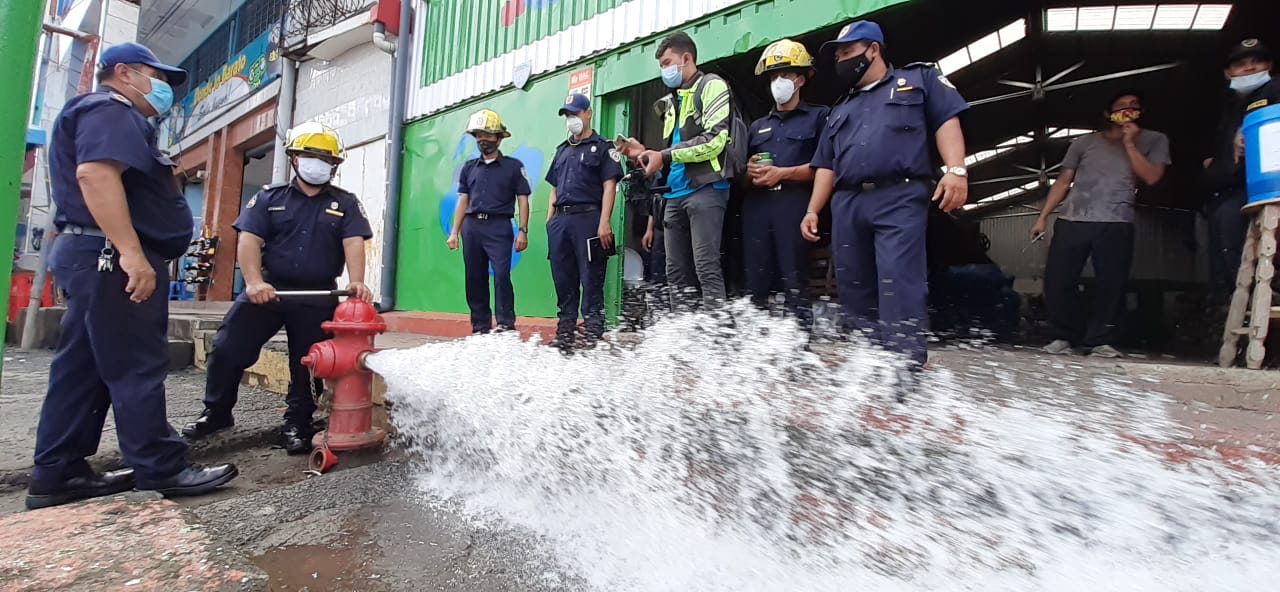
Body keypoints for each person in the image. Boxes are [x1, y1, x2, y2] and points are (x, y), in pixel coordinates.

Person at [28, 42, 237, 510]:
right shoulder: (112, 109)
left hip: (91, 253)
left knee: (82, 370)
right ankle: (161, 466)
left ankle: (58, 472)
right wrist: (130, 253)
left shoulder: (98, 112)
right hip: (110, 255)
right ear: (123, 73)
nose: (161, 88)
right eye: (155, 76)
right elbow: (96, 176)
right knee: (136, 364)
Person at [183, 122, 374, 454]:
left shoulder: (345, 203)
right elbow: (249, 239)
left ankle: (297, 422)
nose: (318, 163)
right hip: (268, 291)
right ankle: (216, 412)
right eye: (310, 156)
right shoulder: (269, 199)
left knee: (309, 362)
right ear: (295, 160)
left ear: (334, 165)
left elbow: (354, 243)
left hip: (317, 295)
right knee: (228, 347)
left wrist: (356, 281)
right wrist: (254, 281)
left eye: (325, 159)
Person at [801, 21, 969, 376]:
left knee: (897, 279)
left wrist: (956, 170)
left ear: (873, 49)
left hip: (898, 195)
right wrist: (813, 209)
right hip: (847, 203)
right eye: (837, 55)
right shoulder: (839, 110)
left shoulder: (917, 81)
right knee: (854, 285)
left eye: (847, 52)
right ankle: (870, 363)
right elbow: (825, 165)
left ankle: (904, 366)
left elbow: (946, 121)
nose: (841, 60)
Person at [1030, 91, 1170, 358]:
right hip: (1073, 217)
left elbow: (1151, 177)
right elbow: (1063, 180)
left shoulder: (1155, 140)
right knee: (1059, 280)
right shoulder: (1084, 142)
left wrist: (1130, 143)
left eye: (1134, 106)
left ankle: (1100, 341)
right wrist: (1042, 217)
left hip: (1116, 220)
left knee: (1111, 283)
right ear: (1108, 114)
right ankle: (1063, 336)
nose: (1128, 110)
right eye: (1121, 107)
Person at [620, 32, 735, 309]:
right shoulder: (671, 103)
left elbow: (715, 141)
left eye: (667, 62)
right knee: (675, 274)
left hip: (706, 191)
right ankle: (683, 339)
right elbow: (671, 152)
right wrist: (645, 153)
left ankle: (714, 339)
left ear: (686, 58)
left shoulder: (713, 86)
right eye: (661, 65)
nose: (665, 70)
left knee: (706, 268)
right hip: (674, 195)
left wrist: (663, 155)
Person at [744, 39, 829, 326]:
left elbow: (826, 168)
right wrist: (750, 172)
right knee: (755, 280)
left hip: (794, 206)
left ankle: (797, 352)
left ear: (801, 79)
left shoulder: (820, 117)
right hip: (758, 208)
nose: (778, 82)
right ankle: (756, 348)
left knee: (795, 280)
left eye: (785, 75)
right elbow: (742, 174)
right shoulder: (757, 126)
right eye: (773, 77)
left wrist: (783, 173)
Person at [1202, 38, 1280, 316]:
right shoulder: (1230, 105)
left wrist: (1252, 125)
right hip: (1230, 188)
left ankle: (1252, 304)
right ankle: (1229, 306)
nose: (1249, 68)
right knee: (1222, 244)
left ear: (1269, 66)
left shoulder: (1273, 88)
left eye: (1256, 62)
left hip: (1265, 187)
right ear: (1228, 73)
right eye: (1240, 64)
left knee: (1234, 231)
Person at [545, 94, 624, 348]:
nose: (572, 120)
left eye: (575, 114)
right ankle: (565, 336)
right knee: (563, 279)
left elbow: (609, 186)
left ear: (588, 113)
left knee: (591, 279)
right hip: (561, 221)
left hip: (589, 219)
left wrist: (605, 221)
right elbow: (554, 188)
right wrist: (550, 221)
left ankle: (592, 335)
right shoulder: (561, 151)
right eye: (568, 115)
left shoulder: (603, 147)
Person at [446, 109, 532, 333]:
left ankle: (505, 324)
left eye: (487, 134)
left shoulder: (514, 167)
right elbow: (463, 200)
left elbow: (523, 200)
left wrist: (523, 230)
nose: (482, 139)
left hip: (499, 227)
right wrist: (454, 232)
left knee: (502, 276)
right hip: (472, 228)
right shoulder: (468, 168)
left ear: (499, 137)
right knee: (474, 278)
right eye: (478, 135)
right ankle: (480, 326)